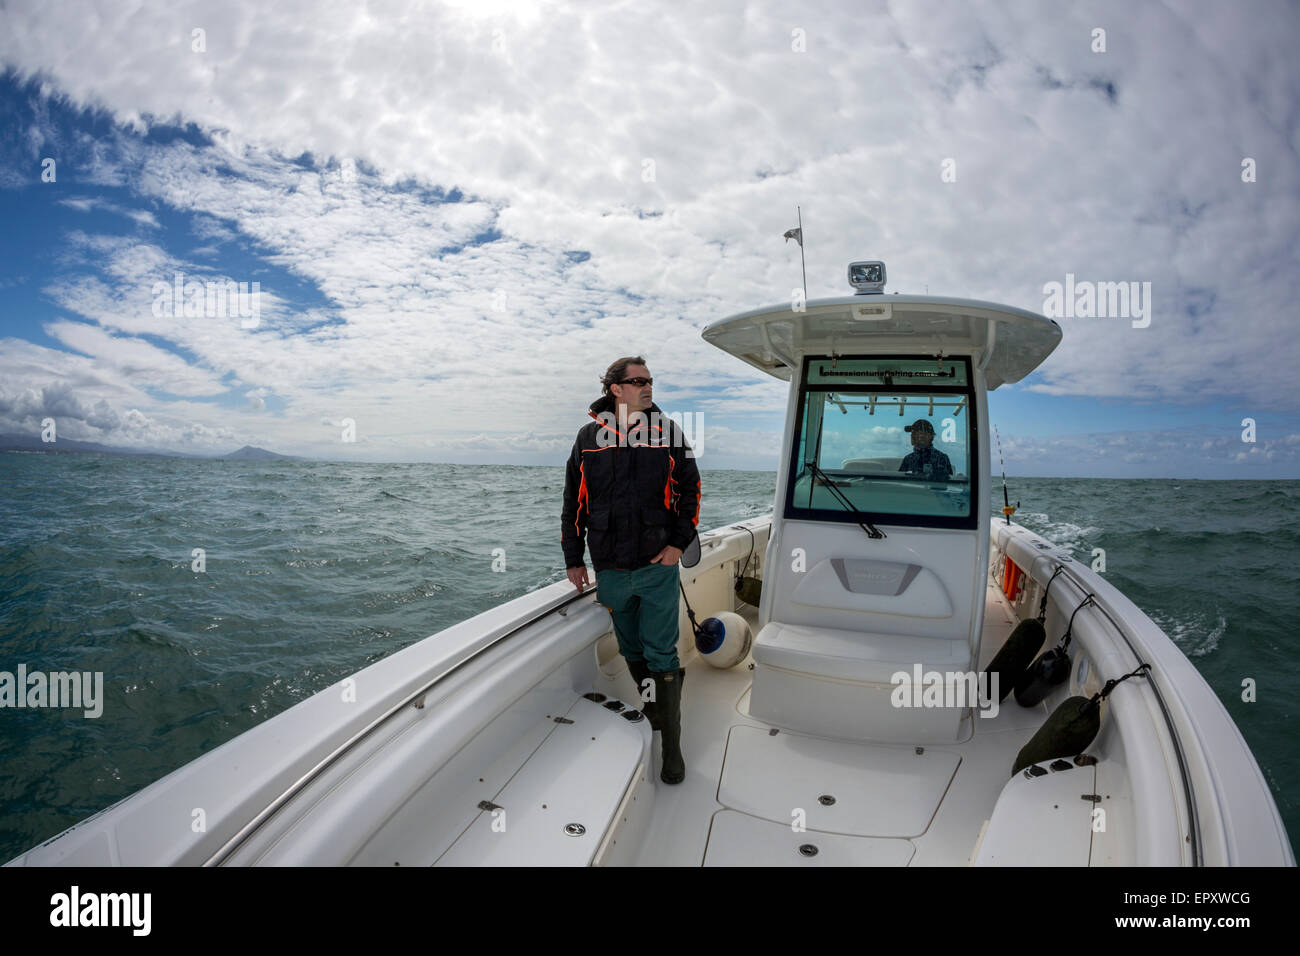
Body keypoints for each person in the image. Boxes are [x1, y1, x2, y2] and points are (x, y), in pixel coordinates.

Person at [561, 356, 701, 785]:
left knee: (661, 651)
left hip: (658, 562)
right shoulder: (588, 438)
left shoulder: (668, 434)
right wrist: (573, 558)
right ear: (615, 389)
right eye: (638, 381)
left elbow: (690, 490)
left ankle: (671, 750)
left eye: (650, 381)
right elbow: (574, 502)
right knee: (631, 648)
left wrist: (677, 544)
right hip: (610, 568)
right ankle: (653, 710)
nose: (648, 387)